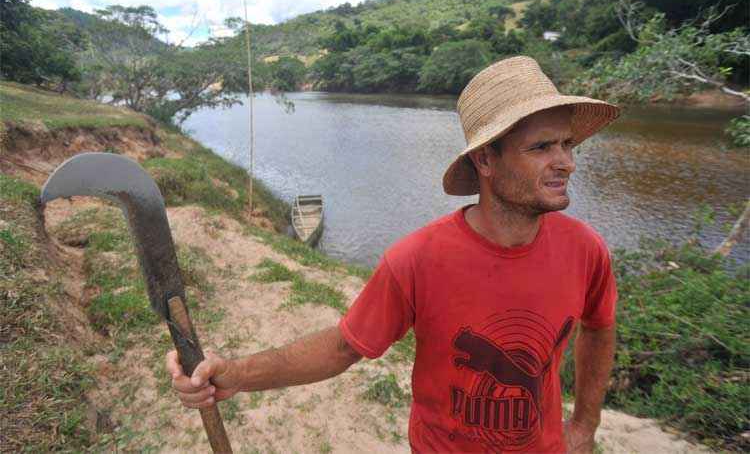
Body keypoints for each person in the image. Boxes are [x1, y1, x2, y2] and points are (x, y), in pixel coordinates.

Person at [166, 56, 620, 453]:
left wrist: (584, 424)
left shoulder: (585, 250)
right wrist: (234, 375)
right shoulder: (418, 259)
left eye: (567, 144)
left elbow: (598, 329)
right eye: (542, 147)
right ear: (485, 161)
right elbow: (344, 347)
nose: (566, 162)